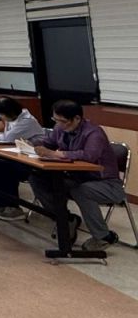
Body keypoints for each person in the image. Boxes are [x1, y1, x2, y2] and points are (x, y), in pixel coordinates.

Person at [29, 100, 126, 251]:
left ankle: (102, 236)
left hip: (106, 183)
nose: (59, 125)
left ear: (77, 119)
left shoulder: (94, 133)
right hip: (77, 178)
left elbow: (89, 155)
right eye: (55, 120)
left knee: (82, 190)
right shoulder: (60, 128)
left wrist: (57, 154)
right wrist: (35, 146)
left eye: (63, 121)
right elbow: (48, 143)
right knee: (38, 179)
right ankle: (66, 219)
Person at [0, 97, 45, 221]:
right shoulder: (13, 119)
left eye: (2, 114)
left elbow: (8, 138)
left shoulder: (27, 121)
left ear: (10, 112)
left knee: (2, 168)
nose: (0, 117)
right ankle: (0, 205)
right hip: (16, 156)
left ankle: (13, 207)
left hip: (31, 162)